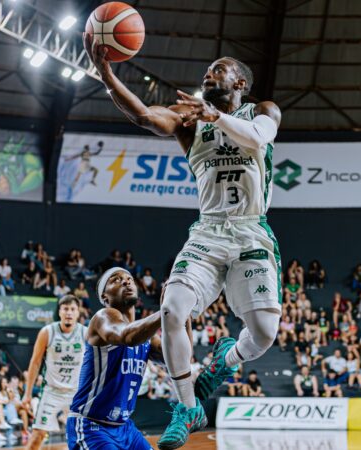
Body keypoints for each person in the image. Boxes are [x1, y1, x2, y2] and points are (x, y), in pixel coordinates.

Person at [85, 33, 282, 450]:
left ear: (241, 83)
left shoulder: (261, 110)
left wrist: (215, 116)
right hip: (208, 231)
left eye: (219, 69)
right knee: (172, 309)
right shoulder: (189, 121)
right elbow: (142, 115)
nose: (210, 73)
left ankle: (225, 361)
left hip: (251, 229)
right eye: (207, 71)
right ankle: (187, 407)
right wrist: (106, 74)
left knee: (264, 333)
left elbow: (259, 138)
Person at [67, 268, 202, 450]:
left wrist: (182, 316)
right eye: (116, 280)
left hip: (125, 428)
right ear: (105, 297)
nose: (126, 281)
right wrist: (168, 310)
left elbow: (180, 360)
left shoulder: (145, 337)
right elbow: (127, 337)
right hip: (91, 426)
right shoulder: (102, 318)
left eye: (129, 278)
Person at [22, 295, 87, 450]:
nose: (69, 313)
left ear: (78, 313)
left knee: (85, 438)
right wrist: (28, 393)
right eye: (65, 309)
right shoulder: (47, 332)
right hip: (51, 392)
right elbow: (35, 362)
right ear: (59, 312)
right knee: (37, 437)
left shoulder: (86, 333)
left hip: (77, 393)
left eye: (72, 309)